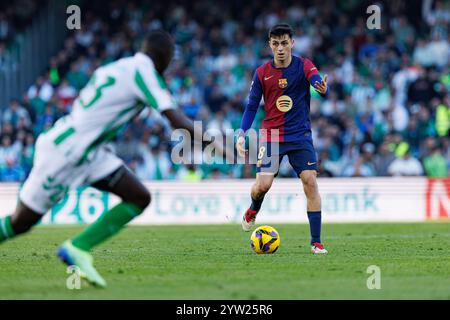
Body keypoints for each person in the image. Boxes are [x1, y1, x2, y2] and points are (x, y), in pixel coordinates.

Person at [0, 30, 203, 287]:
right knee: (20, 222)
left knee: (139, 196)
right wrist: (213, 142)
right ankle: (77, 247)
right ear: (163, 56)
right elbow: (174, 118)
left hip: (88, 151)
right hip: (66, 153)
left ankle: (78, 247)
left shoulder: (115, 68)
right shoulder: (144, 72)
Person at [236, 24, 329, 254]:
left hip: (300, 136)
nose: (280, 48)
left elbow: (315, 78)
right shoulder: (261, 73)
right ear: (270, 45)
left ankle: (316, 241)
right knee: (262, 186)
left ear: (292, 44)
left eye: (284, 43)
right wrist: (242, 133)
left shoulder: (303, 65)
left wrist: (320, 85)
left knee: (310, 181)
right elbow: (251, 106)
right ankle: (253, 209)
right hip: (272, 136)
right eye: (275, 43)